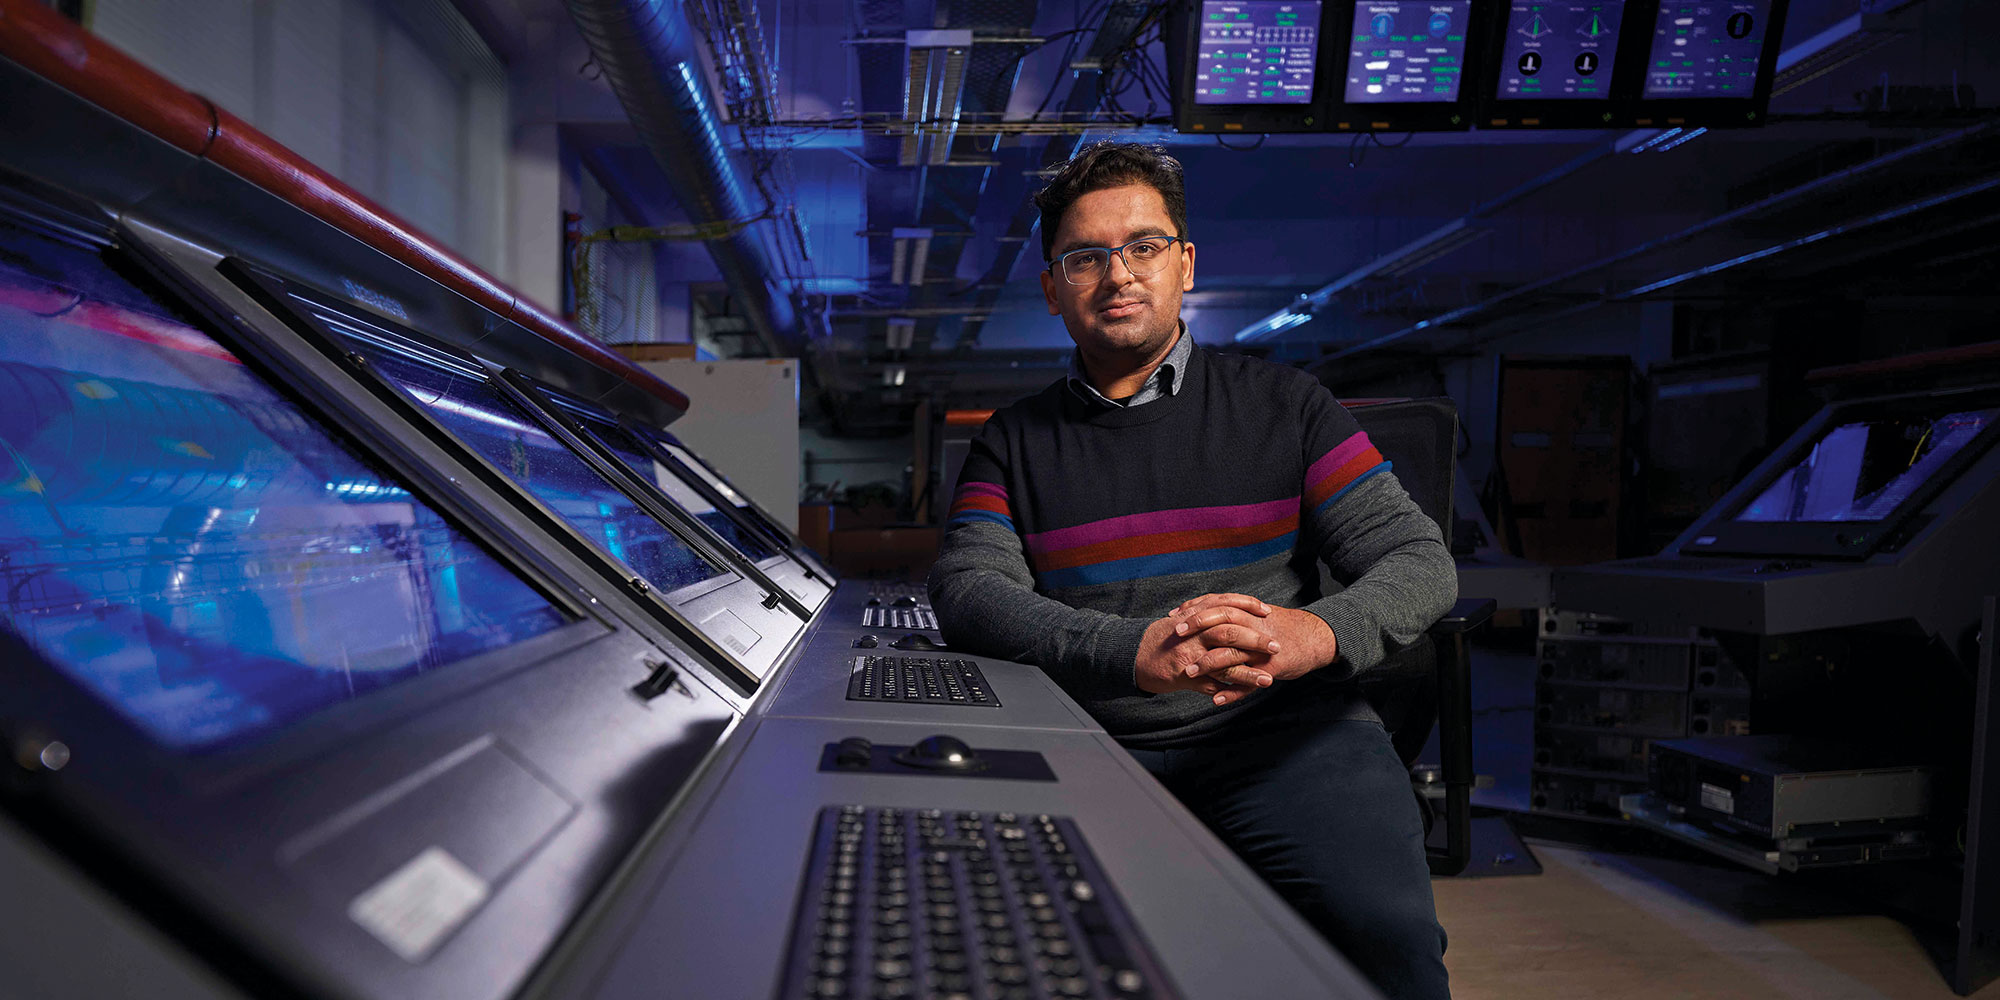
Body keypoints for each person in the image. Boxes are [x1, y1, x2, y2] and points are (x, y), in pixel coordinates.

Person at [928, 141, 1457, 1000]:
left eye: (1143, 246)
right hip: (1093, 745)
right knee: (1030, 953)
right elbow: (969, 590)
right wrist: (1127, 651)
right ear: (1052, 287)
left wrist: (1314, 632)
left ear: (1185, 263)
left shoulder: (1289, 407)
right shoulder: (1011, 440)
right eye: (1085, 257)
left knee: (1387, 945)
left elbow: (1418, 558)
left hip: (1285, 741)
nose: (1118, 274)